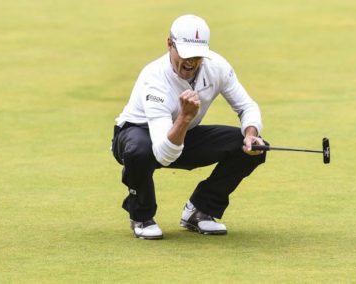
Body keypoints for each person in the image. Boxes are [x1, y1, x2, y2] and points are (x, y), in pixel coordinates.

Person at [111, 14, 267, 240]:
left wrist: (251, 135)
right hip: (136, 135)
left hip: (183, 135)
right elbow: (163, 155)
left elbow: (247, 107)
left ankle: (200, 211)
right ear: (169, 45)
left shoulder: (217, 66)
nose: (191, 62)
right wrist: (184, 117)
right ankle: (141, 215)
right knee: (139, 150)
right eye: (184, 53)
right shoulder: (154, 78)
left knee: (253, 148)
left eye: (197, 55)